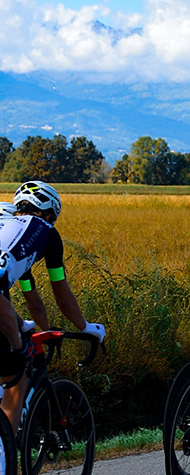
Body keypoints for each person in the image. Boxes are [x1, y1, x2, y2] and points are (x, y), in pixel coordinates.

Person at [0, 182, 107, 436]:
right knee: (16, 379)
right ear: (49, 215)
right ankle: (4, 454)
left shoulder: (12, 237)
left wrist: (39, 329)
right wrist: (86, 327)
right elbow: (61, 294)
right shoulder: (45, 232)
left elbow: (32, 302)